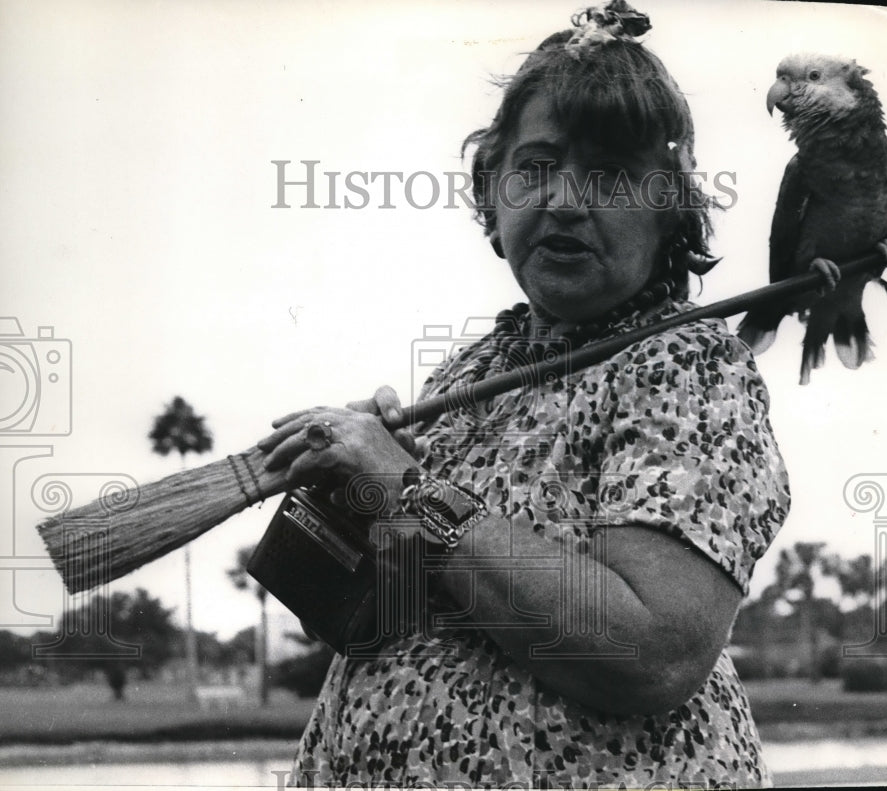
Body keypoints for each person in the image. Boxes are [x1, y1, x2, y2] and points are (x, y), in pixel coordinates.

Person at [257, 2, 790, 787]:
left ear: (666, 209)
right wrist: (343, 502)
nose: (565, 199)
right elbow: (367, 626)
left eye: (609, 175)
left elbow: (651, 652)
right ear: (492, 188)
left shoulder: (687, 366)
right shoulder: (470, 374)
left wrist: (409, 490)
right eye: (537, 166)